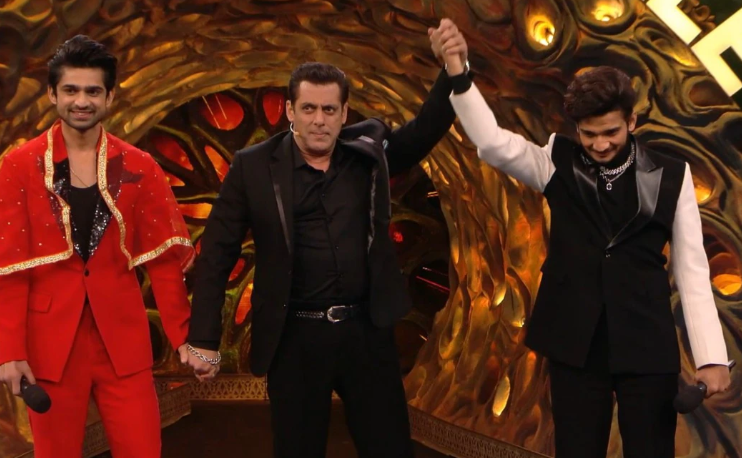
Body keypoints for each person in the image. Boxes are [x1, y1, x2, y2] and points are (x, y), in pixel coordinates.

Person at [433, 19, 732, 458]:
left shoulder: (673, 175)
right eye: (589, 135)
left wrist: (711, 357)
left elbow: (692, 270)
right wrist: (458, 74)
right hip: (574, 342)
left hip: (645, 343)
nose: (600, 144)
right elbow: (493, 144)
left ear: (632, 121)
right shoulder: (556, 161)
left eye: (611, 132)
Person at [184, 29, 470, 458]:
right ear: (290, 110)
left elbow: (424, 130)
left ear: (344, 113)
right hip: (295, 335)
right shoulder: (253, 167)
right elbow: (217, 255)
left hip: (366, 331)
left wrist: (453, 69)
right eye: (309, 108)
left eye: (329, 109)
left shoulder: (367, 152)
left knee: (390, 448)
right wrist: (204, 339)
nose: (319, 119)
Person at [0, 35, 198, 458]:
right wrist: (10, 352)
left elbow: (163, 261)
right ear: (53, 94)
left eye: (92, 91)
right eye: (71, 90)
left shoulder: (140, 166)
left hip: (122, 341)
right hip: (50, 346)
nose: (81, 101)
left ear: (109, 97)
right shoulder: (19, 166)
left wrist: (185, 338)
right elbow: (11, 268)